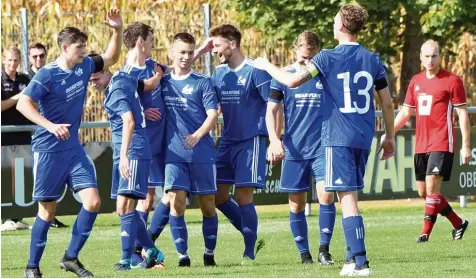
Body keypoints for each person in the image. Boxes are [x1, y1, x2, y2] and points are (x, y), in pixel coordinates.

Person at [254, 5, 396, 276]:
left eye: (334, 21)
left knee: (347, 200)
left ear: (342, 25)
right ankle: (352, 259)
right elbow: (387, 104)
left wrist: (266, 65)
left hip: (337, 137)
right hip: (364, 136)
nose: (332, 25)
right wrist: (389, 136)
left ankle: (362, 263)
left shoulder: (328, 58)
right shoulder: (373, 59)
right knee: (349, 196)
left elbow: (292, 81)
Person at [17, 8, 124, 278]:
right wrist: (50, 125)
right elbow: (22, 103)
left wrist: (117, 30)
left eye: (85, 46)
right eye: (79, 47)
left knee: (93, 202)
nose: (84, 51)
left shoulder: (84, 65)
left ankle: (71, 258)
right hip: (48, 151)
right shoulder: (48, 75)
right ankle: (32, 267)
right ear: (65, 48)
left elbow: (111, 57)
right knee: (47, 212)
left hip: (73, 149)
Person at [388, 39, 470, 243]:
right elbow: (406, 112)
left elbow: (462, 114)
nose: (430, 60)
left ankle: (424, 233)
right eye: (427, 56)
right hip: (421, 144)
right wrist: (389, 132)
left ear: (440, 56)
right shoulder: (416, 81)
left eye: (434, 56)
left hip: (442, 141)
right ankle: (458, 223)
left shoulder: (452, 80)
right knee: (424, 193)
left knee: (433, 190)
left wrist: (466, 145)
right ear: (421, 57)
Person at [266, 31, 336, 265]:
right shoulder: (284, 76)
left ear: (318, 53)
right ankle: (304, 254)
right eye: (303, 57)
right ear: (296, 51)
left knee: (326, 195)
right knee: (296, 203)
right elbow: (271, 110)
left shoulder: (325, 75)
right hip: (294, 148)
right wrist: (274, 140)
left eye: (311, 58)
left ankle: (324, 250)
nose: (307, 62)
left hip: (322, 146)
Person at [104, 21, 166, 271]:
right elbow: (148, 85)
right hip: (131, 149)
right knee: (123, 207)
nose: (94, 81)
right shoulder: (125, 77)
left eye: (97, 76)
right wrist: (157, 79)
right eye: (151, 39)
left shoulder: (122, 79)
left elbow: (129, 121)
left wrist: (124, 155)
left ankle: (125, 260)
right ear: (141, 42)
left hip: (134, 149)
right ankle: (151, 251)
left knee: (127, 205)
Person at [209, 24, 270, 265]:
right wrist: (200, 51)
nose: (214, 51)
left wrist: (275, 139)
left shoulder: (256, 70)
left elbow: (273, 107)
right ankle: (251, 235)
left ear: (232, 44)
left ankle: (249, 253)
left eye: (217, 46)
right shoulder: (218, 74)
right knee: (217, 196)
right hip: (227, 141)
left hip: (251, 140)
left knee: (243, 196)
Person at [157, 32, 219, 267]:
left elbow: (213, 114)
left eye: (190, 52)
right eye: (181, 52)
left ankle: (209, 253)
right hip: (174, 155)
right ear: (172, 52)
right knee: (177, 203)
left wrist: (197, 135)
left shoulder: (203, 82)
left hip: (202, 153)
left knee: (208, 206)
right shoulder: (162, 80)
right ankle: (183, 257)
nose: (186, 57)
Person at [27, 42, 70, 229]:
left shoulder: (52, 73)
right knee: (42, 191)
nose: (38, 59)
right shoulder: (29, 78)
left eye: (41, 56)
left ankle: (50, 217)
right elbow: (25, 104)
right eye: (34, 56)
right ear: (29, 58)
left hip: (58, 137)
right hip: (38, 138)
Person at [1, 46, 33, 232]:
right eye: (9, 60)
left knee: (22, 176)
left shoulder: (24, 79)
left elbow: (33, 101)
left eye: (15, 60)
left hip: (23, 133)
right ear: (3, 60)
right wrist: (20, 97)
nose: (13, 64)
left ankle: (17, 217)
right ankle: (4, 218)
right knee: (5, 176)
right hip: (4, 135)